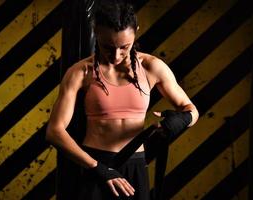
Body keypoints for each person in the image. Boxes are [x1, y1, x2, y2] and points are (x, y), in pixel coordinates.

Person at [46, 1, 199, 199]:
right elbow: (54, 131)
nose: (116, 55)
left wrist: (179, 121)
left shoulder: (152, 67)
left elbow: (192, 111)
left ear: (136, 32)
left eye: (124, 47)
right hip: (94, 163)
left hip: (135, 166)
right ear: (96, 32)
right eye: (107, 47)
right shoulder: (80, 72)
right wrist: (98, 168)